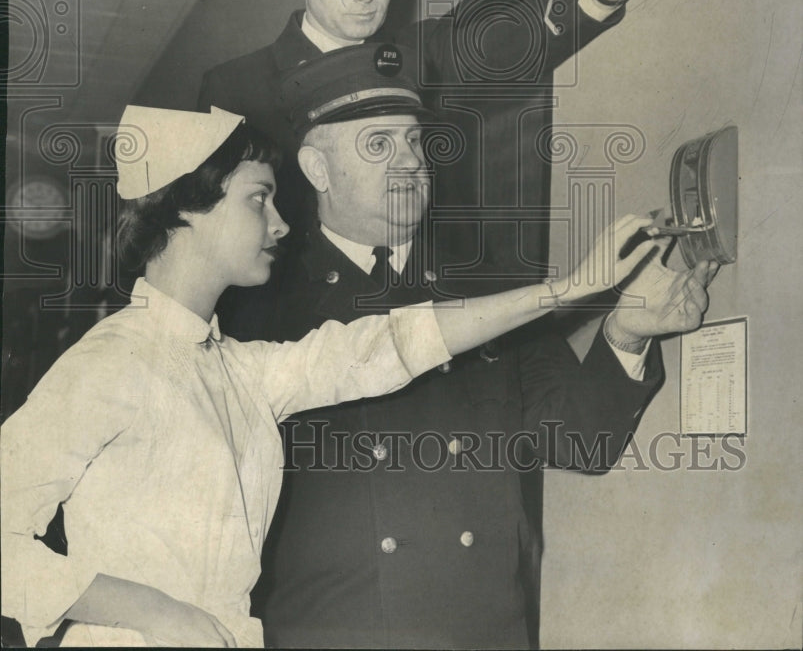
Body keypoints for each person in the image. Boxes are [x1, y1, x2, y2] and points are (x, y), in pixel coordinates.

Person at [0, 105, 666, 649]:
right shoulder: (110, 363)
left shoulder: (236, 369)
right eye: (258, 200)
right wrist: (151, 610)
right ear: (184, 211)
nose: (282, 223)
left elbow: (386, 346)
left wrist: (570, 289)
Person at [254, 46, 717, 650]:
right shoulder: (261, 306)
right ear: (317, 169)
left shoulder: (493, 289)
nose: (410, 164)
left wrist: (629, 331)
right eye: (378, 145)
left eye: (415, 142)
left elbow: (579, 440)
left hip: (481, 631)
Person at [198, 0, 669, 334]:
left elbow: (512, 44)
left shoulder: (417, 56)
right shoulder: (237, 89)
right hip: (299, 329)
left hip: (428, 315)